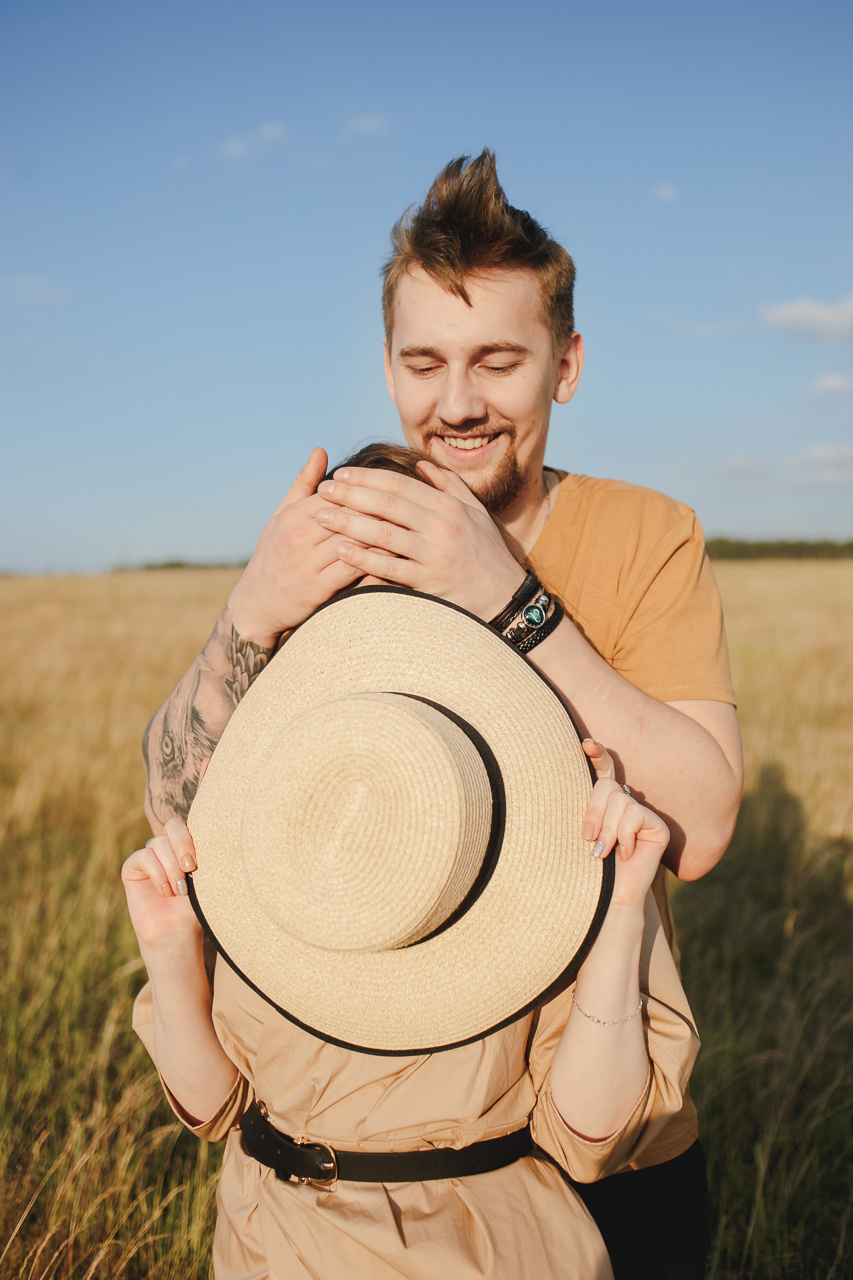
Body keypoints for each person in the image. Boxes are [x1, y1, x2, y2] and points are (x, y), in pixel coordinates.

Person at [139, 152, 743, 1275]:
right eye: (424, 362)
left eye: (497, 360)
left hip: (612, 1127)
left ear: (564, 366)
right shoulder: (351, 524)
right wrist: (249, 614)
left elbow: (701, 827)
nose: (455, 402)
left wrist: (510, 602)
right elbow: (186, 811)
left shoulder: (645, 532)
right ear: (386, 365)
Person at [125, 564, 700, 1280]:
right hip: (264, 1240)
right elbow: (216, 1109)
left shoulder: (568, 855)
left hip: (476, 1250)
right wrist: (169, 948)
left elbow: (595, 1135)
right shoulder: (269, 838)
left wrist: (618, 910)